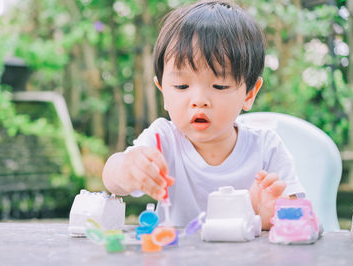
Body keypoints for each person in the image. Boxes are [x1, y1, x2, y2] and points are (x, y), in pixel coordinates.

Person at [102, 0, 305, 230]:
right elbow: (112, 179)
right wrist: (128, 168)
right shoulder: (163, 139)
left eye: (219, 86)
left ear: (249, 94)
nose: (199, 100)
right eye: (181, 86)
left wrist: (268, 214)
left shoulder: (266, 148)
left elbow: (295, 218)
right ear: (164, 93)